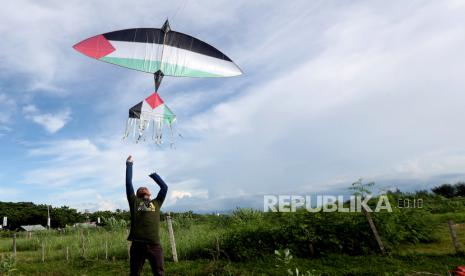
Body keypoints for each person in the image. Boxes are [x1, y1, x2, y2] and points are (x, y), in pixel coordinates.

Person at [125, 155, 168, 276]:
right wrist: (129, 164)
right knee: (135, 273)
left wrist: (153, 174)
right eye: (142, 189)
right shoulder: (134, 201)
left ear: (149, 194)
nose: (144, 189)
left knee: (159, 272)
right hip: (138, 245)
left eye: (146, 189)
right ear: (139, 194)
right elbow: (128, 183)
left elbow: (164, 187)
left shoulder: (156, 202)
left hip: (154, 245)